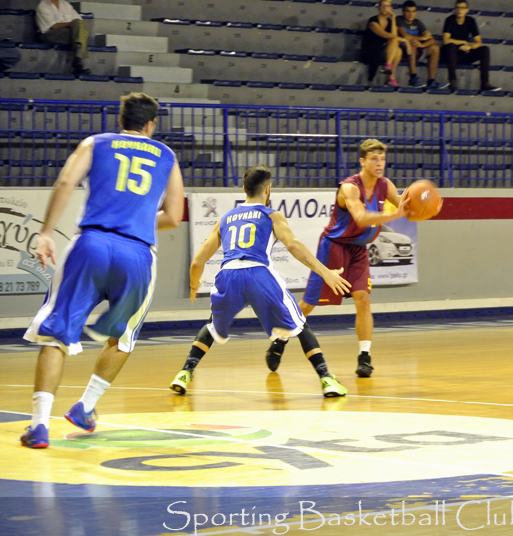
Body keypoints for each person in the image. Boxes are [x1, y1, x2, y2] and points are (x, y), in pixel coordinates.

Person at [20, 93, 185, 448]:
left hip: (91, 243)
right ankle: (85, 407)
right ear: (151, 125)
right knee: (123, 337)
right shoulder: (168, 156)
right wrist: (136, 219)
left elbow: (66, 183)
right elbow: (174, 216)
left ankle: (39, 426)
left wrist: (46, 233)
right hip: (138, 254)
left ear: (121, 120)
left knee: (57, 333)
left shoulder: (95, 143)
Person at [168, 165, 351, 398]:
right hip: (258, 273)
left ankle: (184, 373)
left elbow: (198, 262)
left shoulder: (225, 219)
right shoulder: (271, 215)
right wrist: (325, 272)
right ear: (267, 189)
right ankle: (326, 379)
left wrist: (194, 286)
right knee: (299, 324)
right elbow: (293, 245)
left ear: (244, 189)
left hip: (228, 275)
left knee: (212, 325)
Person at [265, 139, 408, 379]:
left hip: (359, 249)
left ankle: (365, 357)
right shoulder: (349, 188)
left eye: (382, 159)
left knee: (363, 299)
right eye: (374, 159)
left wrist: (423, 203)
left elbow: (406, 206)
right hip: (334, 247)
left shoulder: (385, 185)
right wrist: (396, 214)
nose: (379, 163)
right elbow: (361, 218)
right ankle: (280, 339)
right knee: (309, 304)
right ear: (362, 161)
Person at [442, 0, 500, 92]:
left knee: (485, 49)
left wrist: (470, 47)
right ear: (455, 9)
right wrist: (463, 42)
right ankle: (453, 81)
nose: (460, 10)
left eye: (462, 8)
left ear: (467, 10)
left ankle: (485, 83)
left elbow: (478, 42)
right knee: (451, 46)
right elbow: (446, 40)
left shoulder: (470, 21)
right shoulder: (450, 20)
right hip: (451, 54)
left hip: (465, 52)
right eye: (457, 8)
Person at [397, 1, 446, 89]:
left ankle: (431, 81)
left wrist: (422, 45)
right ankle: (413, 78)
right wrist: (421, 38)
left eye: (413, 11)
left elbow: (431, 39)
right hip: (403, 51)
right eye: (408, 11)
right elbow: (405, 36)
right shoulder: (399, 19)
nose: (411, 14)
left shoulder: (417, 22)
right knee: (413, 43)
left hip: (417, 50)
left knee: (435, 48)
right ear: (403, 12)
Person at [35, 0, 91, 75]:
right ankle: (78, 59)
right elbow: (53, 26)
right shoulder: (43, 6)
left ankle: (78, 59)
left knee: (80, 29)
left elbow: (79, 22)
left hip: (68, 33)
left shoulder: (65, 4)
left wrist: (74, 25)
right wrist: (72, 24)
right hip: (50, 34)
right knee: (81, 34)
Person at [361, 0, 403, 87]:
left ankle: (389, 74)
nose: (385, 8)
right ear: (378, 8)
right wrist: (404, 40)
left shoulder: (390, 22)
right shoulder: (373, 21)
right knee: (395, 43)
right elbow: (385, 35)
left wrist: (393, 19)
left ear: (391, 8)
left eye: (387, 6)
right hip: (371, 50)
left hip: (383, 51)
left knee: (399, 51)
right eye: (383, 5)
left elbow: (394, 36)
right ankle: (390, 74)